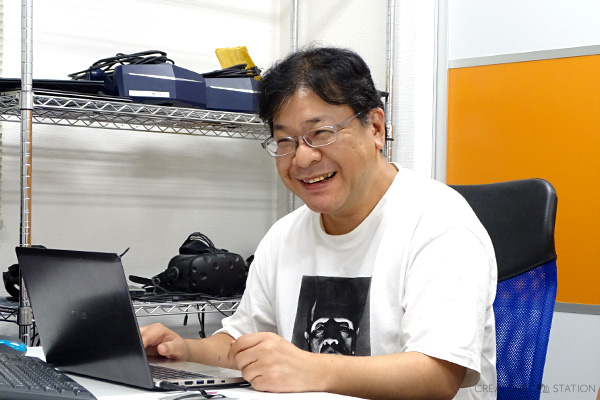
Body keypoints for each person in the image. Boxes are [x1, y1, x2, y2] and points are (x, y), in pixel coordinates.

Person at [141, 46, 497, 400]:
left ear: (375, 128)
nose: (303, 158)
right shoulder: (285, 235)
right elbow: (241, 345)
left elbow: (438, 376)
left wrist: (308, 368)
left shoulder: (439, 223)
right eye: (285, 140)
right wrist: (182, 350)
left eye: (322, 133)